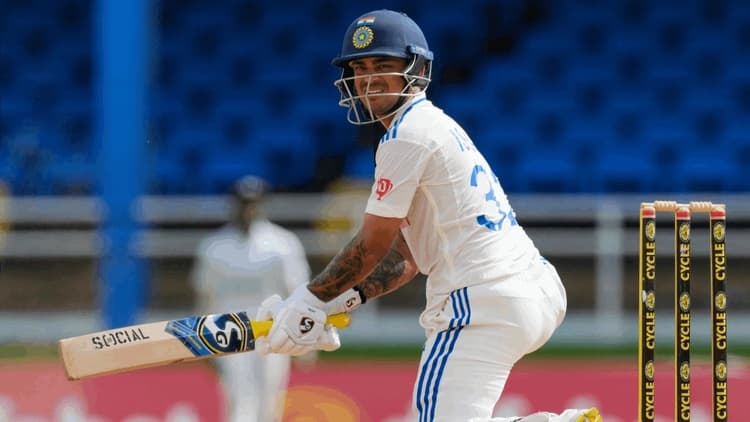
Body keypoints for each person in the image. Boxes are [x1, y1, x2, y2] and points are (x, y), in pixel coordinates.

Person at [254, 10, 602, 422]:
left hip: (479, 300)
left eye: (383, 65)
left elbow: (372, 243)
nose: (369, 79)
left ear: (417, 70)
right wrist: (338, 301)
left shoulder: (407, 136)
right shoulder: (432, 126)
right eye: (360, 69)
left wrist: (306, 300)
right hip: (530, 291)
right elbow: (406, 256)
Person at [191, 175, 311, 422]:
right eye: (243, 203)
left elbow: (299, 294)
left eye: (254, 203)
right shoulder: (214, 247)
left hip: (271, 329)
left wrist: (304, 339)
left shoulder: (283, 244)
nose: (248, 209)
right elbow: (205, 297)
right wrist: (203, 342)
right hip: (228, 329)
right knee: (239, 398)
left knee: (270, 398)